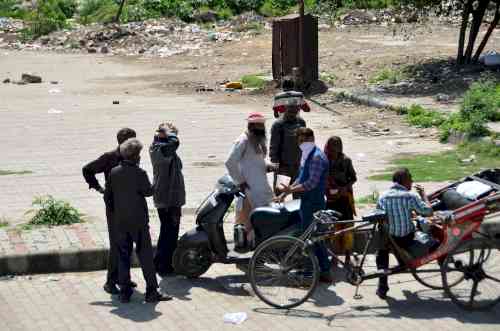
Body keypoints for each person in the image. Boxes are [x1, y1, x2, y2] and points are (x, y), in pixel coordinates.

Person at [104, 138, 172, 303]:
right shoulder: (139, 173)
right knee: (146, 256)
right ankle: (151, 291)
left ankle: (125, 292)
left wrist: (117, 213)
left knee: (123, 256)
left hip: (121, 222)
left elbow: (108, 197)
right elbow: (148, 192)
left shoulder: (114, 172)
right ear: (136, 156)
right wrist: (156, 183)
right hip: (139, 222)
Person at [82, 127, 137, 295]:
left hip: (129, 205)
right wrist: (98, 188)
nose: (134, 145)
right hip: (114, 206)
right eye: (130, 141)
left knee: (126, 242)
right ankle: (110, 281)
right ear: (121, 142)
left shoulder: (134, 156)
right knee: (116, 244)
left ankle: (123, 278)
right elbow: (87, 169)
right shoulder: (109, 157)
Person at [278, 128, 333, 282]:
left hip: (314, 203)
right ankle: (324, 270)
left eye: (303, 140)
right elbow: (301, 178)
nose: (301, 143)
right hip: (307, 202)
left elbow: (311, 183)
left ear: (311, 138)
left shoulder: (316, 157)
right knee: (314, 238)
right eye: (300, 140)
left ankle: (311, 272)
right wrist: (286, 192)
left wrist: (291, 190)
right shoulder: (307, 155)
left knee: (309, 238)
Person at [375, 168, 433, 299]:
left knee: (382, 252)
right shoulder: (411, 196)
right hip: (406, 238)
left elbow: (379, 214)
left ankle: (382, 288)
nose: (412, 182)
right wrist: (424, 194)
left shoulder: (383, 196)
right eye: (410, 179)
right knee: (420, 232)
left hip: (390, 238)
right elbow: (428, 212)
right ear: (405, 181)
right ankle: (404, 261)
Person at [225, 112, 275, 241]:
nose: (261, 128)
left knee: (265, 217)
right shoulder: (243, 140)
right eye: (258, 125)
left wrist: (268, 166)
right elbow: (230, 162)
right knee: (250, 219)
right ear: (251, 126)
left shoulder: (258, 140)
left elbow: (256, 161)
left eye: (262, 125)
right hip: (250, 188)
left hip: (261, 186)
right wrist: (240, 181)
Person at [149, 122, 186, 277]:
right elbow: (175, 143)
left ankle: (161, 263)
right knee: (169, 232)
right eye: (172, 134)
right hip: (167, 198)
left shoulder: (161, 148)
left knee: (169, 231)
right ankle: (164, 265)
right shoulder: (159, 149)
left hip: (171, 197)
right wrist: (169, 133)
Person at [324, 136, 357, 267]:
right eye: (332, 145)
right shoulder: (325, 160)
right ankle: (334, 256)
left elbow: (353, 178)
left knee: (347, 227)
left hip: (344, 199)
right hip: (331, 199)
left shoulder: (346, 160)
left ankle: (348, 256)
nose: (334, 148)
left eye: (337, 145)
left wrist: (345, 188)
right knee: (333, 228)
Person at [270, 91, 308, 195]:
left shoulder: (301, 122)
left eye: (295, 112)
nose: (292, 114)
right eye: (290, 112)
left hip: (298, 166)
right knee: (279, 196)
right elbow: (274, 146)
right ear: (286, 110)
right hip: (283, 167)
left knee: (298, 197)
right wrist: (275, 164)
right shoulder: (278, 125)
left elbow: (305, 142)